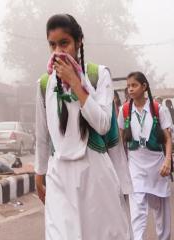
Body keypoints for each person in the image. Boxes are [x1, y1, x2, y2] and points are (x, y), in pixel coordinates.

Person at [34, 14, 132, 239]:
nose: (58, 50)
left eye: (64, 43)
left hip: (95, 174)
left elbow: (104, 124)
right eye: (52, 45)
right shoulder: (43, 84)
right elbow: (42, 136)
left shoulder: (98, 75)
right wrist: (39, 174)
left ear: (79, 42)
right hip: (59, 176)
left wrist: (77, 83)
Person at [118, 72, 173, 240]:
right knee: (137, 209)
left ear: (144, 86)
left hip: (157, 166)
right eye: (128, 86)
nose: (130, 89)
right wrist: (121, 164)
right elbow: (120, 138)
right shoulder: (125, 110)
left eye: (134, 85)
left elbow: (167, 138)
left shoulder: (158, 109)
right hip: (136, 166)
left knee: (160, 210)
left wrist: (167, 160)